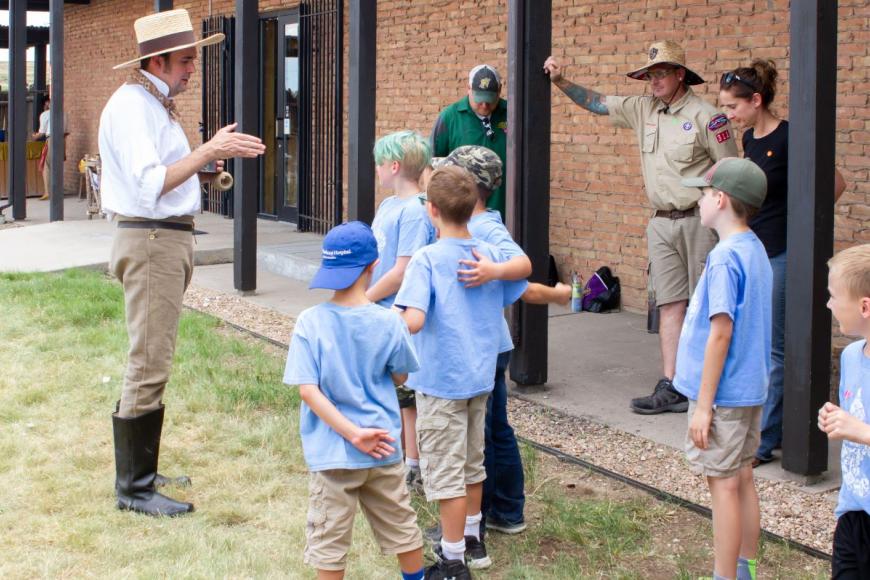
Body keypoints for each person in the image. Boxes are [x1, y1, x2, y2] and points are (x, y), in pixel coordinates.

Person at [99, 9, 265, 516]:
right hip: (152, 241)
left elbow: (164, 176)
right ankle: (135, 490)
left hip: (163, 239)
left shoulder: (154, 102)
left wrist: (205, 167)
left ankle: (142, 472)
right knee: (149, 359)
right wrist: (209, 148)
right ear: (159, 59)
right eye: (188, 59)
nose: (194, 68)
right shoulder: (132, 106)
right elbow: (151, 183)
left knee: (155, 356)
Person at [544, 41, 738, 415]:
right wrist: (561, 81)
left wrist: (724, 222)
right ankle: (673, 384)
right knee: (669, 304)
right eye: (649, 74)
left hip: (700, 221)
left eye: (661, 73)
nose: (654, 81)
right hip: (661, 222)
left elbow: (732, 173)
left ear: (680, 74)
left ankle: (711, 385)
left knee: (707, 307)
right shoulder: (643, 109)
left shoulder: (707, 117)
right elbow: (599, 103)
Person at [394, 165, 527, 577]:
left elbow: (413, 319)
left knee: (447, 476)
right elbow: (521, 275)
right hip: (479, 381)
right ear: (473, 210)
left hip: (440, 384)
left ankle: (452, 561)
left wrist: (384, 322)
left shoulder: (426, 260)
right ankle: (473, 539)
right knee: (473, 465)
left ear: (431, 210)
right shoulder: (487, 257)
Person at [718, 59, 848, 467]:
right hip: (756, 249)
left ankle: (765, 441)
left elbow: (836, 182)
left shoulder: (792, 137)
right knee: (755, 342)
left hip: (783, 253)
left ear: (756, 101)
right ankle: (763, 428)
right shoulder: (750, 140)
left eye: (732, 107)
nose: (728, 115)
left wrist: (806, 229)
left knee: (776, 350)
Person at [438, 146, 570, 537]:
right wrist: (556, 294)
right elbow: (524, 290)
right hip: (487, 344)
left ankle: (504, 511)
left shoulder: (486, 229)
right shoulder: (470, 224)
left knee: (489, 432)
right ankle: (500, 510)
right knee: (493, 428)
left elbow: (521, 267)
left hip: (486, 347)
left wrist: (491, 269)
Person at [284, 221, 425, 580]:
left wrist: (350, 433)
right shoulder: (390, 323)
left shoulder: (309, 322)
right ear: (372, 267)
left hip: (332, 455)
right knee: (403, 529)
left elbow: (307, 390)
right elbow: (401, 376)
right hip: (383, 446)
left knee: (329, 544)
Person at [675, 157, 771, 580]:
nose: (697, 200)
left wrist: (703, 406)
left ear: (720, 199)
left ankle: (724, 575)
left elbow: (721, 333)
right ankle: (745, 567)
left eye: (703, 192)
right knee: (742, 476)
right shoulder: (755, 248)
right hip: (749, 390)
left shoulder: (724, 258)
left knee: (724, 485)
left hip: (724, 395)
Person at [365, 130, 435, 492]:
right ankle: (402, 461)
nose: (376, 169)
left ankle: (414, 464)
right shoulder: (388, 206)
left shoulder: (413, 212)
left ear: (394, 166)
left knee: (406, 395)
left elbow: (402, 270)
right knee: (393, 395)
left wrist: (364, 299)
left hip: (394, 313)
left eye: (379, 163)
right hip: (377, 307)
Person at [818, 244, 870, 580]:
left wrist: (859, 430)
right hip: (853, 515)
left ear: (865, 306)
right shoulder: (851, 356)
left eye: (834, 296)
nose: (829, 304)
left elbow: (859, 429)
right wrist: (837, 419)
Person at [431, 65, 508, 219]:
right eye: (479, 99)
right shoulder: (450, 117)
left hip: (505, 210)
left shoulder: (512, 112)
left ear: (499, 90)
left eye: (490, 100)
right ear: (469, 89)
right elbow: (431, 164)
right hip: (462, 213)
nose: (485, 105)